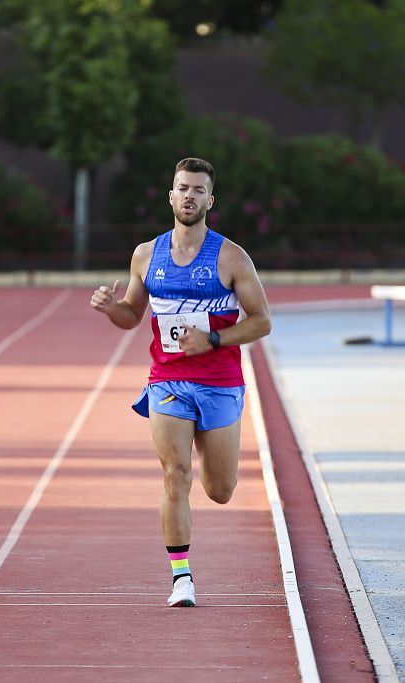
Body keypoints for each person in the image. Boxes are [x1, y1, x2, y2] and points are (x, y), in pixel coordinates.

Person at [90, 157, 272, 607]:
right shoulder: (146, 255)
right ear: (171, 196)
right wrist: (110, 307)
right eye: (182, 188)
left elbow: (262, 322)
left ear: (211, 200)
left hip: (220, 383)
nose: (189, 195)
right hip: (168, 381)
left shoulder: (230, 256)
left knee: (220, 490)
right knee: (175, 475)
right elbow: (132, 315)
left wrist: (213, 338)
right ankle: (181, 578)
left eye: (198, 190)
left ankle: (214, 486)